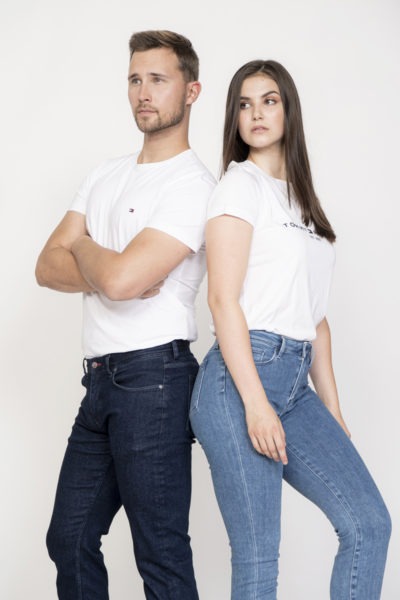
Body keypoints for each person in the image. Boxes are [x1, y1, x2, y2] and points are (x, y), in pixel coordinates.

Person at [189, 60, 391, 599]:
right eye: (244, 104)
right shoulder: (239, 187)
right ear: (234, 119)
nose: (256, 113)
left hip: (296, 385)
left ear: (288, 111)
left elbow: (315, 319)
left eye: (269, 100)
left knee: (368, 524)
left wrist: (333, 410)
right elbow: (222, 300)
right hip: (238, 383)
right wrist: (256, 404)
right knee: (259, 559)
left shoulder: (303, 203)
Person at [35, 30, 215, 600]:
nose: (143, 92)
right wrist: (109, 263)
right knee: (69, 538)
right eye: (135, 79)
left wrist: (84, 248)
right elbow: (46, 266)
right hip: (99, 381)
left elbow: (117, 281)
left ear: (191, 91)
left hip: (154, 381)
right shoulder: (105, 174)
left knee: (160, 554)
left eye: (158, 79)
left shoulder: (194, 186)